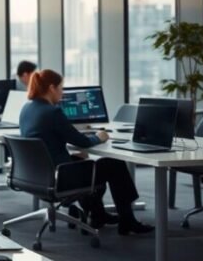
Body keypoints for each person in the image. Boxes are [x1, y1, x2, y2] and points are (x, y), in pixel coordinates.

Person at [19, 69, 153, 235]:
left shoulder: (27, 109)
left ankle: (98, 214)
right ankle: (127, 221)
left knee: (85, 162)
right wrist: (100, 137)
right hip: (60, 178)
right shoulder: (52, 112)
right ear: (52, 88)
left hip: (37, 175)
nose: (62, 92)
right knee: (113, 164)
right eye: (61, 88)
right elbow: (82, 142)